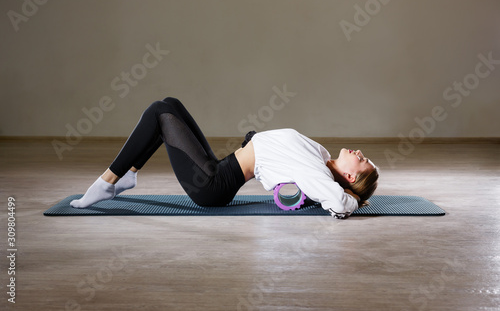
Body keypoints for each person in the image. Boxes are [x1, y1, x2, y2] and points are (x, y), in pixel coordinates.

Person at [70, 97, 379, 219]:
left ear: (350, 177)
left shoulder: (319, 177)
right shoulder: (321, 157)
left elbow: (338, 204)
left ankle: (108, 182)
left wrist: (351, 201)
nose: (359, 153)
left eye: (362, 161)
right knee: (169, 105)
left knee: (159, 113)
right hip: (218, 169)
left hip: (211, 184)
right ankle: (129, 175)